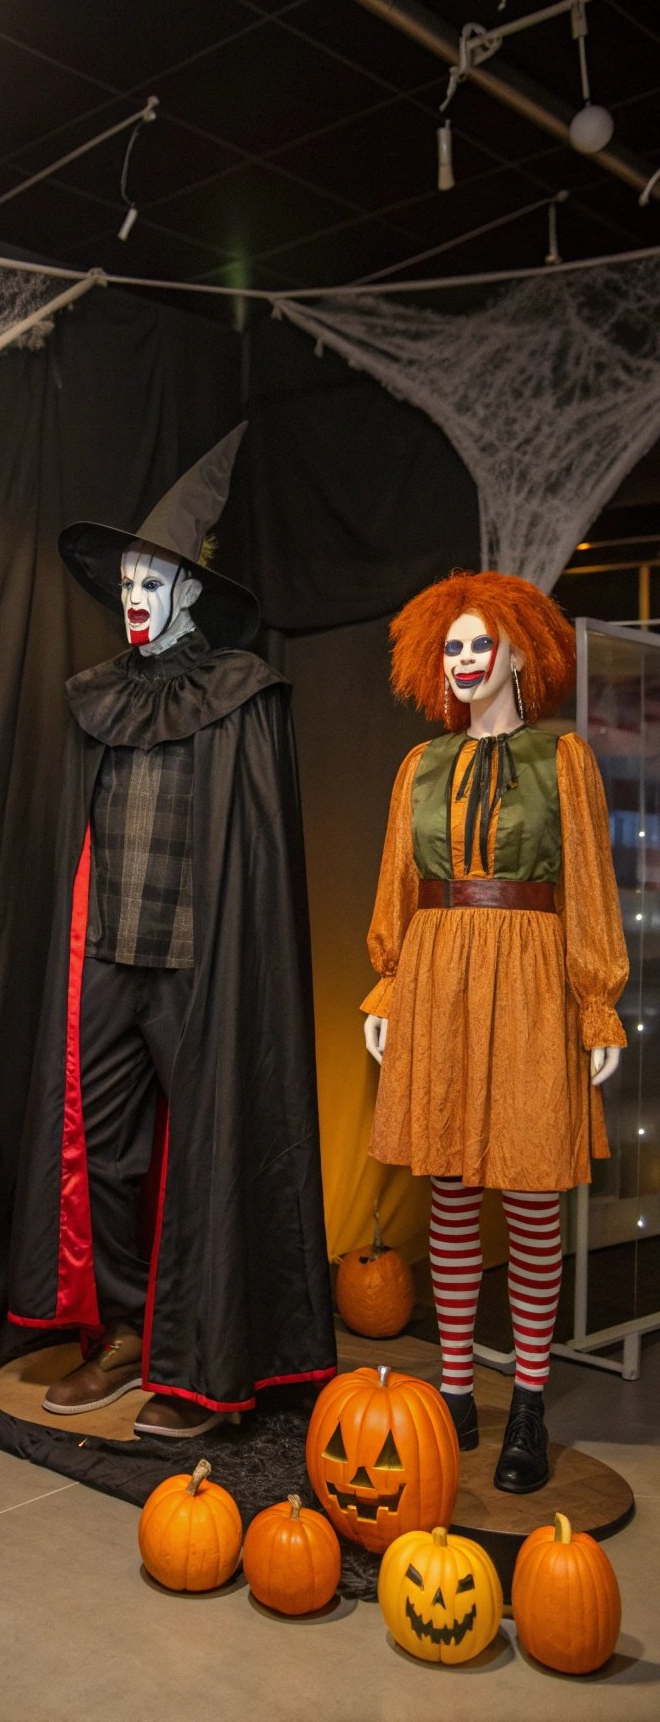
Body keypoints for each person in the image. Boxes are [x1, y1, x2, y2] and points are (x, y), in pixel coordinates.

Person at [9, 426, 335, 1438]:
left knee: (205, 1151)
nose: (136, 594)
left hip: (204, 963)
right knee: (102, 1155)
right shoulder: (100, 694)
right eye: (127, 579)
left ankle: (199, 1360)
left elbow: (256, 854)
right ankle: (112, 1334)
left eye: (154, 577)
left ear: (191, 590)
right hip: (108, 951)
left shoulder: (240, 695)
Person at [362, 571, 627, 1494]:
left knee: (529, 1187)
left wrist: (598, 1000)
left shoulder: (564, 760)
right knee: (446, 1181)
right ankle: (453, 1393)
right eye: (453, 646)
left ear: (521, 650)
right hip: (437, 969)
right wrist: (388, 987)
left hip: (526, 970)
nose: (466, 660)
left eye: (481, 644)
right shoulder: (420, 766)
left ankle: (526, 1402)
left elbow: (591, 881)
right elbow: (398, 880)